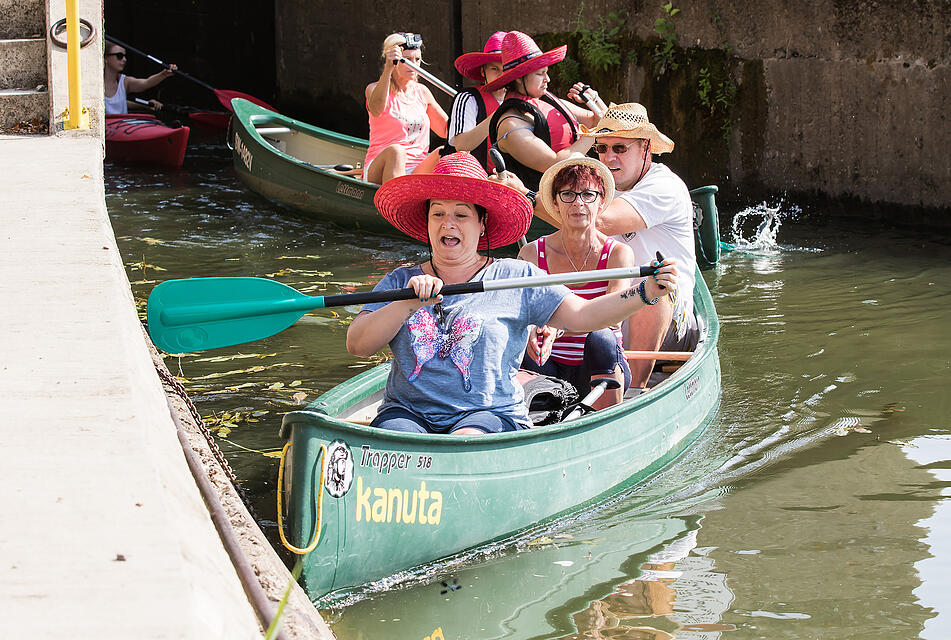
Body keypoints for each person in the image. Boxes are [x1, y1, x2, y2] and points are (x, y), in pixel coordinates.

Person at [346, 152, 678, 434]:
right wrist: (404, 303)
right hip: (408, 413)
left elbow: (583, 316)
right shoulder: (400, 280)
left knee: (467, 440)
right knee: (396, 437)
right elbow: (358, 344)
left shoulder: (514, 276)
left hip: (487, 415)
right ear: (428, 223)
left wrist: (646, 292)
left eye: (461, 214)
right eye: (438, 214)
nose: (448, 224)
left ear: (481, 224)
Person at [581, 102, 699, 387]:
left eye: (619, 149)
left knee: (653, 287)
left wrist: (532, 199)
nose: (608, 158)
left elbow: (598, 223)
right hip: (613, 309)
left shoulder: (665, 186)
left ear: (646, 147)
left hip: (669, 319)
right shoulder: (593, 188)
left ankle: (634, 389)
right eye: (601, 149)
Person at [517, 155, 635, 407]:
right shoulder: (531, 254)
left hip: (598, 364)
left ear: (601, 202)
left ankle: (605, 419)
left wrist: (557, 327)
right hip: (547, 363)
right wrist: (530, 330)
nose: (578, 203)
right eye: (568, 194)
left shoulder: (617, 253)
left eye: (587, 195)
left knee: (602, 337)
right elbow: (519, 311)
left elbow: (612, 316)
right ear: (556, 203)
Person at [484, 31, 608, 190]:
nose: (547, 80)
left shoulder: (545, 99)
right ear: (518, 78)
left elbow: (598, 119)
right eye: (540, 73)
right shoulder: (510, 124)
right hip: (536, 207)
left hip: (572, 194)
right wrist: (593, 133)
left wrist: (594, 100)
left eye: (546, 72)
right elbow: (555, 165)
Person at [363, 32, 448, 184]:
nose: (413, 65)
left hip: (416, 168)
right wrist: (388, 69)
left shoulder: (422, 92)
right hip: (382, 166)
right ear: (394, 61)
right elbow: (376, 109)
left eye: (417, 60)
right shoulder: (374, 88)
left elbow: (446, 130)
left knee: (445, 152)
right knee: (397, 151)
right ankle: (396, 202)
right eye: (407, 60)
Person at [447, 31, 507, 172]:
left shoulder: (527, 100)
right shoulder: (468, 98)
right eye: (494, 68)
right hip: (476, 180)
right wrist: (501, 111)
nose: (501, 75)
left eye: (506, 69)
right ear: (482, 71)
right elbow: (462, 144)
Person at [104, 40, 177, 115]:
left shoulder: (124, 81)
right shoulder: (96, 84)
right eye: (119, 56)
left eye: (125, 56)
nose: (124, 60)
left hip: (123, 125)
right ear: (105, 58)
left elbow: (146, 83)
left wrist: (164, 74)